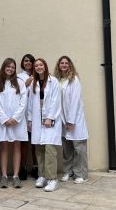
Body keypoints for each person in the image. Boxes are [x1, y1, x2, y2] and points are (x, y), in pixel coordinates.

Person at [28, 58, 61, 192]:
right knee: (39, 150)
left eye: (41, 65)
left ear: (45, 66)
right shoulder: (33, 83)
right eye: (36, 65)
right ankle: (41, 176)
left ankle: (52, 179)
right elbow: (30, 102)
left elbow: (56, 101)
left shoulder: (53, 81)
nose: (38, 67)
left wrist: (50, 117)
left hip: (49, 120)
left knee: (49, 149)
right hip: (37, 119)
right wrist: (30, 119)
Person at [0, 58, 28, 189]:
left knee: (17, 147)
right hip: (3, 121)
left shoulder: (20, 82)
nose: (10, 69)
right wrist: (4, 118)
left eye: (12, 67)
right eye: (8, 66)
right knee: (3, 147)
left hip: (17, 121)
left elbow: (23, 101)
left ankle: (15, 176)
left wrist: (15, 118)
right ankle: (3, 176)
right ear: (3, 67)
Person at [54, 56, 89, 183]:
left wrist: (71, 120)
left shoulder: (74, 80)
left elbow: (75, 101)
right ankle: (68, 172)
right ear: (58, 65)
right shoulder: (57, 80)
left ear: (70, 65)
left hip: (74, 120)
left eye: (66, 63)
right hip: (62, 120)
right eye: (61, 63)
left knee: (79, 149)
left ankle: (81, 174)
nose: (64, 65)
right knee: (67, 149)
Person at [18, 53, 38, 180]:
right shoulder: (19, 77)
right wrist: (25, 84)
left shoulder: (38, 75)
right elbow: (15, 93)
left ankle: (36, 167)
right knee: (24, 143)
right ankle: (23, 167)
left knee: (35, 142)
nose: (28, 63)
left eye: (30, 61)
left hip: (35, 114)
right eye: (26, 61)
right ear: (23, 63)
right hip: (23, 115)